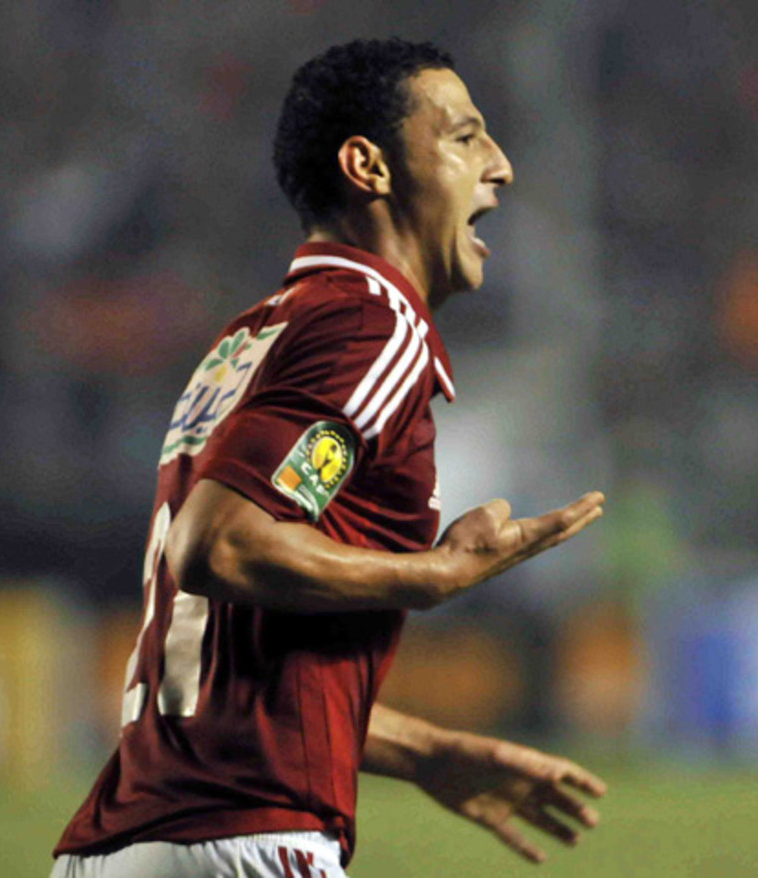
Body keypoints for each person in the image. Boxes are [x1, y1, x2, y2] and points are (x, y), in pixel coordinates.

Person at [51, 37, 607, 878]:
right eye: (464, 137)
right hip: (245, 839)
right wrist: (433, 576)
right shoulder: (370, 325)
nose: (501, 165)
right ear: (368, 166)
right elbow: (220, 545)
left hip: (123, 847)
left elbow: (238, 662)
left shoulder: (257, 337)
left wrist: (424, 751)